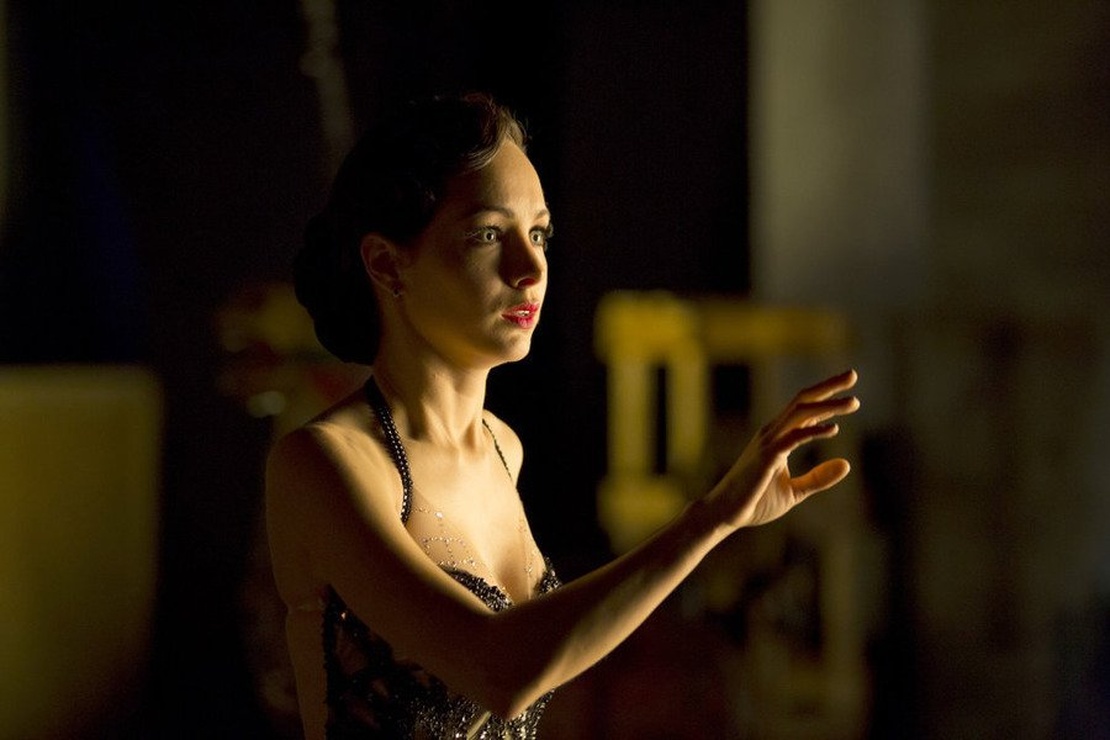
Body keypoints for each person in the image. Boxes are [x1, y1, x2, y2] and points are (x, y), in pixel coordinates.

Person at [265, 91, 860, 739]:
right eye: (488, 234)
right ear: (386, 263)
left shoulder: (502, 448)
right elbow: (500, 671)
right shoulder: (324, 462)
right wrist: (711, 518)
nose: (531, 269)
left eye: (539, 234)